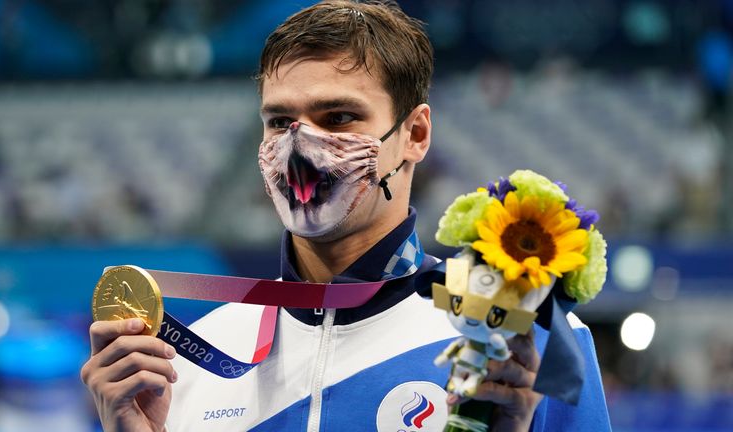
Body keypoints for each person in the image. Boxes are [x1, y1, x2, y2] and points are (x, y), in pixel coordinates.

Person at [80, 1, 611, 431]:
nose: (301, 146)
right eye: (280, 120)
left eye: (338, 117)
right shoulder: (188, 364)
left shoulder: (521, 339)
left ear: (415, 134)